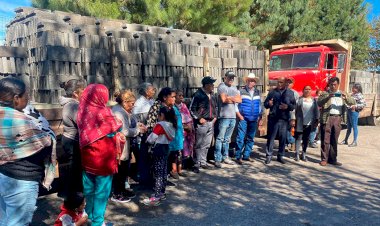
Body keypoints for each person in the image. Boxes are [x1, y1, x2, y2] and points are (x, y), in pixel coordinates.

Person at [0, 77, 56, 226]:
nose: (28, 100)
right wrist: (48, 134)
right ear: (16, 98)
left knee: (4, 219)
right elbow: (45, 145)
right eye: (27, 96)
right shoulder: (22, 120)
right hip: (20, 181)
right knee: (18, 222)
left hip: (2, 177)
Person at [77, 84, 125, 226]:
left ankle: (89, 216)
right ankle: (98, 222)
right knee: (102, 191)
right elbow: (117, 125)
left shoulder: (82, 110)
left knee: (89, 188)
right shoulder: (104, 112)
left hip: (87, 156)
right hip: (104, 158)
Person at [111, 90, 147, 203]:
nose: (133, 105)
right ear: (125, 102)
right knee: (120, 169)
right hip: (119, 145)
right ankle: (117, 193)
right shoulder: (118, 112)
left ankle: (122, 189)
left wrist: (137, 125)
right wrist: (138, 130)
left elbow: (131, 122)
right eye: (132, 103)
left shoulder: (123, 110)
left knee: (124, 168)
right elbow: (125, 131)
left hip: (125, 144)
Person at [141, 87, 176, 186]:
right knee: (156, 164)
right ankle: (156, 185)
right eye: (172, 97)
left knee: (163, 164)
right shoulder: (157, 107)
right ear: (165, 97)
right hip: (157, 141)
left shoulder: (170, 107)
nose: (174, 99)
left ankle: (161, 183)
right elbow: (151, 125)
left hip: (165, 141)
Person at [58, 79, 87, 197]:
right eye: (83, 90)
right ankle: (72, 194)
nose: (85, 93)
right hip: (73, 140)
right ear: (76, 93)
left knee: (73, 167)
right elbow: (83, 123)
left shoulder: (71, 104)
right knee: (74, 168)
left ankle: (69, 192)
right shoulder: (73, 105)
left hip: (69, 138)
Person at [318, 77, 355, 166]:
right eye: (331, 84)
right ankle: (324, 159)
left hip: (338, 118)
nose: (333, 86)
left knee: (334, 139)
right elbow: (319, 103)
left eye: (335, 84)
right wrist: (328, 97)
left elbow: (352, 102)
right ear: (329, 85)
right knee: (325, 140)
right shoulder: (325, 93)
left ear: (338, 84)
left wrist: (346, 98)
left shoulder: (343, 93)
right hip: (327, 118)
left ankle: (333, 159)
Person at [143, 106, 176, 206]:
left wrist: (146, 139)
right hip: (166, 148)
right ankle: (162, 192)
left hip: (158, 149)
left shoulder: (160, 125)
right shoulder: (171, 125)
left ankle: (156, 196)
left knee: (158, 173)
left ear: (162, 115)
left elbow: (152, 138)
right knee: (164, 171)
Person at [264, 77, 296, 165]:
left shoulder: (290, 93)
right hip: (273, 118)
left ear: (285, 83)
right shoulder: (272, 92)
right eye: (278, 82)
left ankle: (280, 156)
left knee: (283, 138)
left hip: (284, 119)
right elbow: (265, 104)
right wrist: (269, 104)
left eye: (281, 82)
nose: (279, 84)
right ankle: (268, 155)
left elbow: (294, 106)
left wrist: (287, 107)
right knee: (271, 138)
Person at [189, 76, 218, 173]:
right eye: (211, 84)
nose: (213, 86)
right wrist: (199, 118)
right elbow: (191, 109)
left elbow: (215, 106)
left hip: (211, 122)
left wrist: (215, 116)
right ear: (206, 85)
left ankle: (203, 162)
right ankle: (196, 163)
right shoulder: (198, 95)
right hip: (202, 122)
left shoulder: (212, 95)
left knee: (206, 143)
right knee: (198, 143)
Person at [234, 73, 263, 164]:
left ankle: (246, 155)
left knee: (251, 138)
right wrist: (240, 116)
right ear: (246, 81)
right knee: (240, 137)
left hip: (254, 119)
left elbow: (260, 105)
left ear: (255, 82)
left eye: (253, 81)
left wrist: (259, 116)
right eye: (249, 80)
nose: (251, 82)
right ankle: (238, 156)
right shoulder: (240, 91)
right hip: (244, 118)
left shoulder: (258, 92)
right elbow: (235, 105)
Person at [215, 71, 242, 168]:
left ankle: (225, 157)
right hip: (224, 116)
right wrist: (232, 98)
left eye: (232, 78)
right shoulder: (222, 87)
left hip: (233, 116)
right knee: (220, 138)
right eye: (229, 77)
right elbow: (223, 99)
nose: (231, 79)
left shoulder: (234, 88)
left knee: (227, 139)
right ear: (225, 77)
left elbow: (239, 100)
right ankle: (218, 158)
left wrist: (230, 98)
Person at [294, 85, 320, 161]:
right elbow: (294, 110)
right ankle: (297, 154)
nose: (307, 90)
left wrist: (317, 120)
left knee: (306, 139)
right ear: (303, 90)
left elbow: (316, 111)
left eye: (309, 89)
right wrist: (293, 119)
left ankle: (304, 154)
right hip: (300, 122)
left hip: (309, 123)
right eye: (306, 89)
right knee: (298, 138)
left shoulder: (314, 100)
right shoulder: (299, 99)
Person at [340, 83, 366, 147]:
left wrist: (355, 106)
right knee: (348, 127)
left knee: (354, 127)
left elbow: (364, 104)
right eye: (353, 87)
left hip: (354, 112)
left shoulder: (359, 95)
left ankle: (355, 141)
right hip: (349, 111)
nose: (352, 88)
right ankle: (345, 140)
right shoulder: (352, 94)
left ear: (358, 89)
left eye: (354, 87)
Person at [175, 90, 195, 169]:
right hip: (180, 130)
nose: (181, 97)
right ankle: (177, 168)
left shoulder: (184, 106)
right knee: (179, 149)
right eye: (179, 96)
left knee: (187, 148)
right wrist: (184, 126)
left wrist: (190, 125)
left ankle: (185, 164)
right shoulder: (173, 107)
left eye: (182, 95)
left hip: (188, 130)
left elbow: (189, 116)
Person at [168, 92, 185, 179]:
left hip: (179, 133)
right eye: (173, 97)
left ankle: (180, 169)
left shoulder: (176, 108)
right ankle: (173, 170)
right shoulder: (170, 109)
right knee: (173, 152)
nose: (174, 99)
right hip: (173, 133)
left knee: (179, 152)